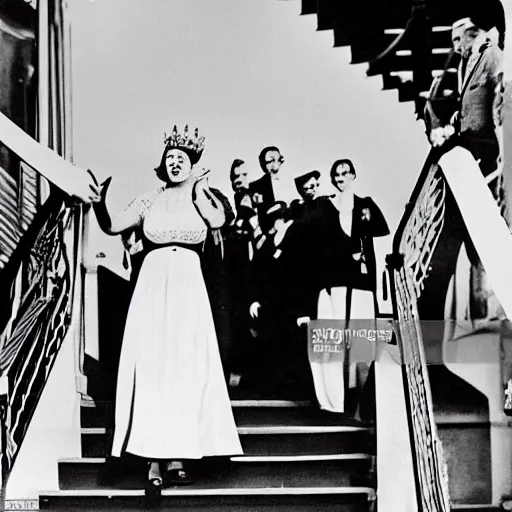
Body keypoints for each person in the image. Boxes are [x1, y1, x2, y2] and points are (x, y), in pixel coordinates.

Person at [92, 125, 242, 493]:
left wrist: (200, 189)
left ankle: (180, 455)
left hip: (189, 286)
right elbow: (113, 225)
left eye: (183, 159)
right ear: (162, 164)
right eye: (170, 159)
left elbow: (219, 220)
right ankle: (152, 456)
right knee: (153, 365)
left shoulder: (203, 197)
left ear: (193, 164)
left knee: (186, 366)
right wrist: (99, 201)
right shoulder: (149, 199)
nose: (175, 164)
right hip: (152, 285)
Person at [310, 159, 389, 413]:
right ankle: (335, 402)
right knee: (334, 343)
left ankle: (359, 404)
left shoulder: (365, 205)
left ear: (353, 175)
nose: (341, 177)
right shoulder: (325, 206)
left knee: (362, 344)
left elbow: (380, 237)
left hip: (362, 285)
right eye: (336, 174)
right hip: (336, 284)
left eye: (345, 173)